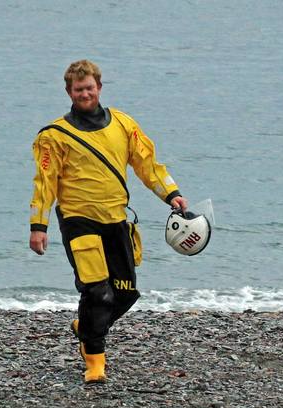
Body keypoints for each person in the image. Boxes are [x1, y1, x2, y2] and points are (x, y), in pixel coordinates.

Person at [28, 60, 188, 384]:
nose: (85, 93)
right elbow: (44, 182)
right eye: (78, 89)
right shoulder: (54, 135)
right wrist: (38, 226)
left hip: (116, 218)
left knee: (126, 293)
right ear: (69, 92)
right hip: (78, 219)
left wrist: (171, 194)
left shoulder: (124, 124)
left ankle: (86, 327)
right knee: (97, 291)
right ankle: (94, 360)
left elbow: (148, 165)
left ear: (99, 87)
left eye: (89, 87)